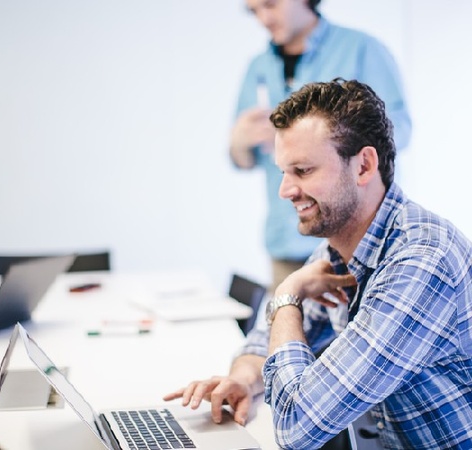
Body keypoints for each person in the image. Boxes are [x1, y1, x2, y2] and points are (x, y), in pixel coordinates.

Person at [165, 79, 472, 449]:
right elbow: (268, 343)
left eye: (303, 171)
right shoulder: (342, 245)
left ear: (363, 166)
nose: (286, 191)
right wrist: (244, 379)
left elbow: (298, 426)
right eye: (283, 172)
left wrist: (287, 293)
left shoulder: (422, 261)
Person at [230, 0, 412, 291]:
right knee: (283, 324)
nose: (263, 18)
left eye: (270, 5)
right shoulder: (258, 68)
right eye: (254, 11)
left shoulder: (361, 49)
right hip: (287, 241)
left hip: (354, 242)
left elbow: (397, 131)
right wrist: (239, 142)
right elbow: (242, 159)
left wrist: (327, 135)